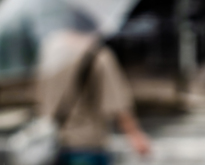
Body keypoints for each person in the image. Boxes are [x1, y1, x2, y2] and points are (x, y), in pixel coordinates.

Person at [36, 28, 152, 165]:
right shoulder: (98, 56)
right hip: (88, 147)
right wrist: (135, 135)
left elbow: (40, 99)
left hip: (54, 145)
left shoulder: (50, 53)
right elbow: (117, 105)